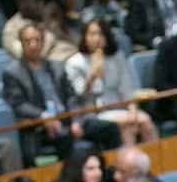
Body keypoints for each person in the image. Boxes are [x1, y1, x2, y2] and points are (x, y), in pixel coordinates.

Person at [4, 23, 93, 165]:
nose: (33, 45)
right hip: (40, 125)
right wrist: (43, 116)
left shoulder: (57, 66)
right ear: (21, 44)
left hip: (67, 119)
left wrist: (76, 120)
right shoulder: (13, 72)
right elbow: (18, 104)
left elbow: (71, 96)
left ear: (43, 42)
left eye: (37, 40)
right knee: (65, 138)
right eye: (28, 41)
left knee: (108, 129)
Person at [65, 19, 156, 148]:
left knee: (141, 123)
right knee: (139, 121)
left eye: (101, 34)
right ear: (84, 37)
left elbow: (127, 88)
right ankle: (131, 165)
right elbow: (79, 95)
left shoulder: (117, 56)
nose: (97, 39)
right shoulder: (75, 63)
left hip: (118, 108)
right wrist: (92, 76)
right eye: (92, 34)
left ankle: (150, 162)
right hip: (92, 114)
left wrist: (133, 112)